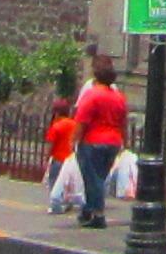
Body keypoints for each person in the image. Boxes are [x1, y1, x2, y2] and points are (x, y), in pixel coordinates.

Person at [72, 57, 128, 229]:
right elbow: (123, 123)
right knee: (100, 178)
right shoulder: (119, 98)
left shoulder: (92, 95)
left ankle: (98, 213)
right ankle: (88, 210)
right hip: (113, 142)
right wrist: (124, 142)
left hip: (92, 141)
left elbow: (81, 121)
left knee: (92, 179)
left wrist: (74, 141)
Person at [43, 98, 78, 213]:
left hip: (58, 159)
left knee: (54, 182)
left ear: (56, 112)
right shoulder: (74, 124)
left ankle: (56, 205)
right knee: (69, 183)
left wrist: (46, 158)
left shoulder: (56, 126)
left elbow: (51, 145)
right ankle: (68, 203)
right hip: (72, 159)